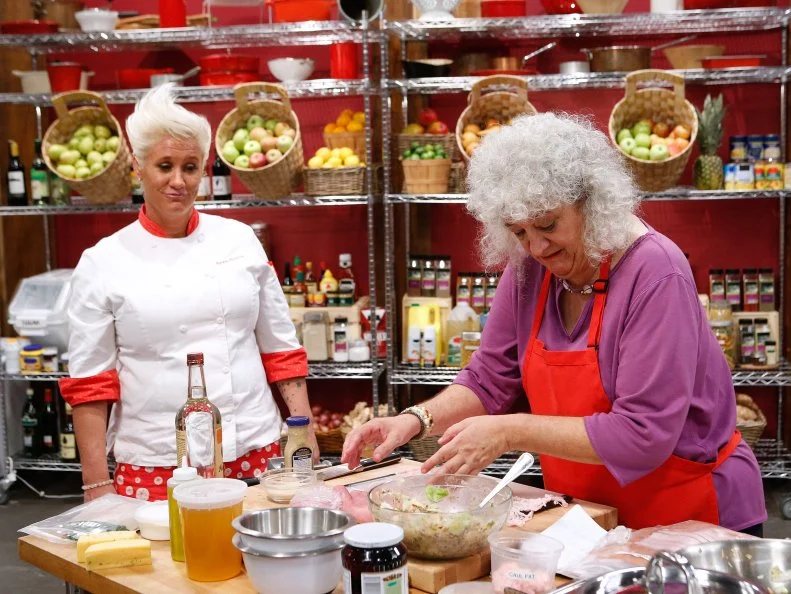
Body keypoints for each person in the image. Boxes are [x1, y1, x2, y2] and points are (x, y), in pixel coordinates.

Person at [342, 113, 767, 534]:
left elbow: (643, 435)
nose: (537, 246)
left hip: (689, 518)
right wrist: (416, 419)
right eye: (519, 232)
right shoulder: (530, 269)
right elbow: (489, 378)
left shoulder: (655, 272)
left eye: (547, 224)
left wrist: (509, 431)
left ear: (590, 202)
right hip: (590, 519)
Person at [60, 84, 318, 502]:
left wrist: (301, 430)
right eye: (165, 165)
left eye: (191, 167)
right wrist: (95, 481)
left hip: (255, 446)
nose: (178, 181)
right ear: (138, 169)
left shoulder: (239, 240)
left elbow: (280, 348)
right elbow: (91, 383)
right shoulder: (103, 261)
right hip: (157, 459)